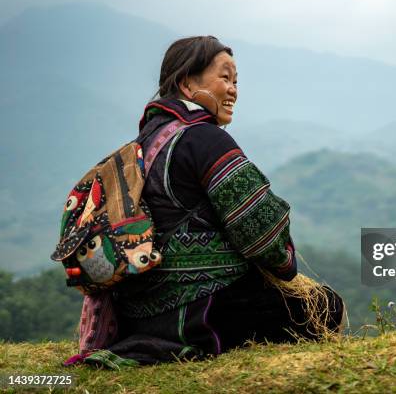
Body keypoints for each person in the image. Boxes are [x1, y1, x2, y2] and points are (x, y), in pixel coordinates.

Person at [67, 36, 344, 368]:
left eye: (236, 81)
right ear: (187, 83)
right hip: (200, 315)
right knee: (324, 305)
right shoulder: (204, 139)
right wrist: (286, 263)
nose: (233, 90)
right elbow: (261, 233)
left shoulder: (139, 147)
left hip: (136, 319)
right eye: (224, 78)